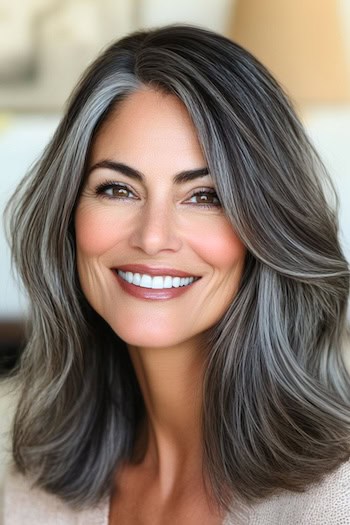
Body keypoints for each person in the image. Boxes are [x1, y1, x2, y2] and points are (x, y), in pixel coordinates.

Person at [3, 24, 350, 525]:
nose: (152, 236)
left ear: (267, 230)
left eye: (205, 196)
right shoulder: (36, 489)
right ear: (68, 213)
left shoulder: (334, 500)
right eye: (117, 189)